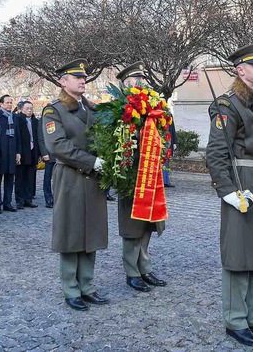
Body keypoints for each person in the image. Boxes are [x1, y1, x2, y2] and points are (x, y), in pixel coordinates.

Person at [206, 43, 253, 347]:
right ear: (240, 70)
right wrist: (227, 192)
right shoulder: (228, 104)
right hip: (242, 182)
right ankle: (235, 321)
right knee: (239, 254)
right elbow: (216, 153)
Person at [41, 59, 109, 312]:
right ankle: (71, 288)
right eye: (77, 77)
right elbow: (57, 145)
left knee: (91, 231)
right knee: (71, 232)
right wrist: (93, 161)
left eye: (84, 77)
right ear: (63, 81)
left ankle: (87, 286)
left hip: (93, 178)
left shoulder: (91, 108)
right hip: (70, 176)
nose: (83, 80)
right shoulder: (54, 110)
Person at [114, 62, 168, 293]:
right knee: (132, 225)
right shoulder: (118, 109)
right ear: (125, 83)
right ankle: (131, 272)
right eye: (136, 79)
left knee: (148, 223)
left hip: (151, 174)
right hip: (131, 174)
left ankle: (145, 268)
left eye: (142, 78)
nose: (141, 83)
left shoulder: (151, 109)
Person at [0, 95, 19, 213]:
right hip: (0, 151)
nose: (9, 104)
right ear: (1, 104)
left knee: (10, 178)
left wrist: (18, 152)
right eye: (7, 102)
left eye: (11, 102)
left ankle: (7, 202)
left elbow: (18, 135)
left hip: (12, 151)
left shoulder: (14, 117)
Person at [15, 100, 40, 208]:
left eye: (31, 108)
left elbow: (38, 138)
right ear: (22, 109)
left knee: (30, 177)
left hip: (33, 152)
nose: (29, 110)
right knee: (20, 177)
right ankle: (20, 200)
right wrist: (18, 152)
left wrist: (39, 153)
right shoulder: (18, 119)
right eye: (27, 108)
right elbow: (17, 137)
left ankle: (28, 199)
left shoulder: (35, 121)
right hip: (22, 152)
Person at [37, 113, 55, 208]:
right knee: (47, 178)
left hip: (60, 154)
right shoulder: (43, 120)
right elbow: (41, 138)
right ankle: (48, 198)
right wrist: (44, 153)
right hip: (49, 154)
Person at [163, 121, 176, 188]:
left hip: (167, 142)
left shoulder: (168, 116)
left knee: (166, 162)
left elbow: (172, 130)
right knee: (164, 163)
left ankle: (166, 181)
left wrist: (174, 142)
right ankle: (164, 181)